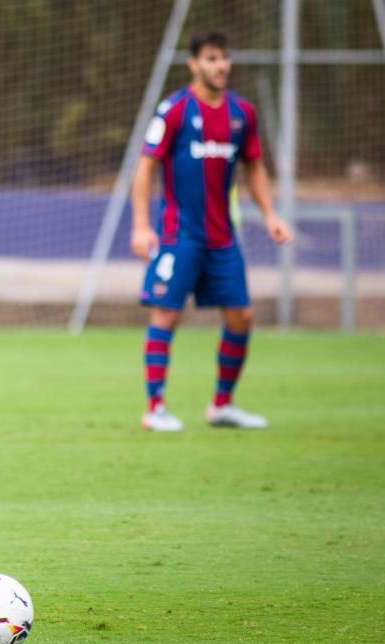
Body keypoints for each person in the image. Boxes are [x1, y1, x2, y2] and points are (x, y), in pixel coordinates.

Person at [131, 29, 294, 432]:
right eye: (211, 58)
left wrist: (270, 214)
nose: (220, 65)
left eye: (224, 58)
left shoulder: (242, 114)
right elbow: (146, 166)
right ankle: (155, 408)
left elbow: (254, 165)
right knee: (166, 313)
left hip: (223, 238)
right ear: (193, 64)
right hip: (179, 235)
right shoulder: (173, 111)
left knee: (241, 315)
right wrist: (140, 226)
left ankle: (222, 404)